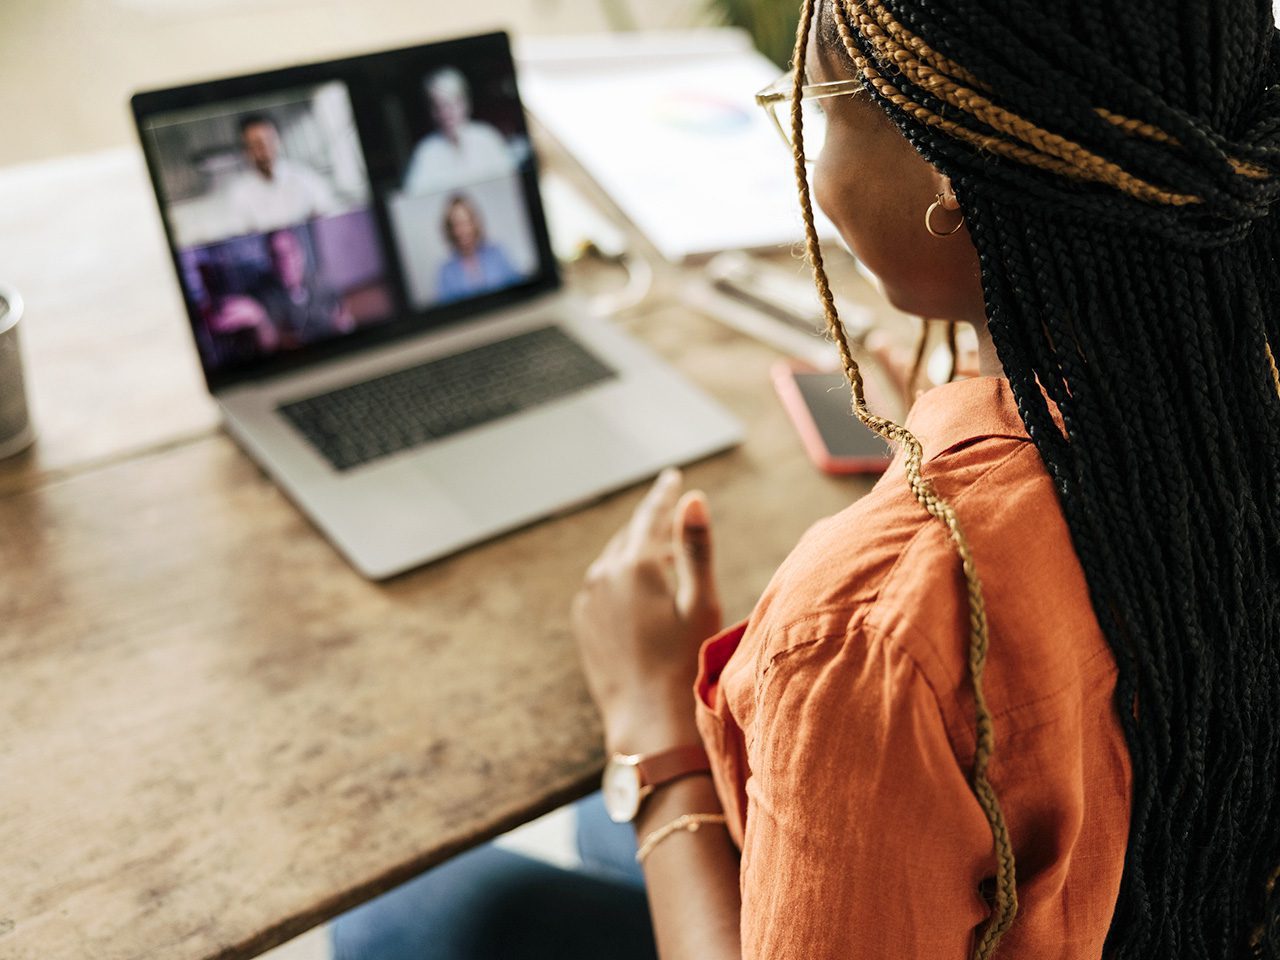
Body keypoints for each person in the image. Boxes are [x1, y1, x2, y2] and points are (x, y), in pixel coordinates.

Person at [333, 0, 1280, 958]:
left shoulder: (867, 635)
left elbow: (883, 662)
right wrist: (981, 428)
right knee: (601, 821)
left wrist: (652, 729)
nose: (808, 145)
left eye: (822, 107)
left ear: (949, 176)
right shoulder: (1227, 389)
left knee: (411, 914)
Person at [401, 68, 517, 195]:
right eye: (437, 106)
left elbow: (512, 185)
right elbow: (412, 197)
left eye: (450, 104)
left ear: (464, 103)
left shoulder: (487, 137)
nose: (445, 113)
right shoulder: (425, 152)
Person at [225, 113, 339, 236]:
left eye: (268, 140)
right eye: (256, 144)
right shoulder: (239, 193)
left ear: (278, 139)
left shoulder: (306, 178)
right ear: (246, 150)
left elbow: (328, 216)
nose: (265, 149)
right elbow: (240, 234)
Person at [251, 229, 354, 348]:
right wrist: (257, 317)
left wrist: (344, 323)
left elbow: (340, 304)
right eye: (276, 255)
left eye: (290, 251)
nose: (285, 261)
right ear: (270, 261)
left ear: (301, 253)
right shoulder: (267, 298)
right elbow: (269, 341)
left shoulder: (320, 280)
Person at [433, 194, 523, 303]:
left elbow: (520, 292)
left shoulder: (498, 253)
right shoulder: (445, 272)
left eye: (466, 222)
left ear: (474, 223)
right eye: (456, 224)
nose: (463, 230)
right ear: (450, 229)